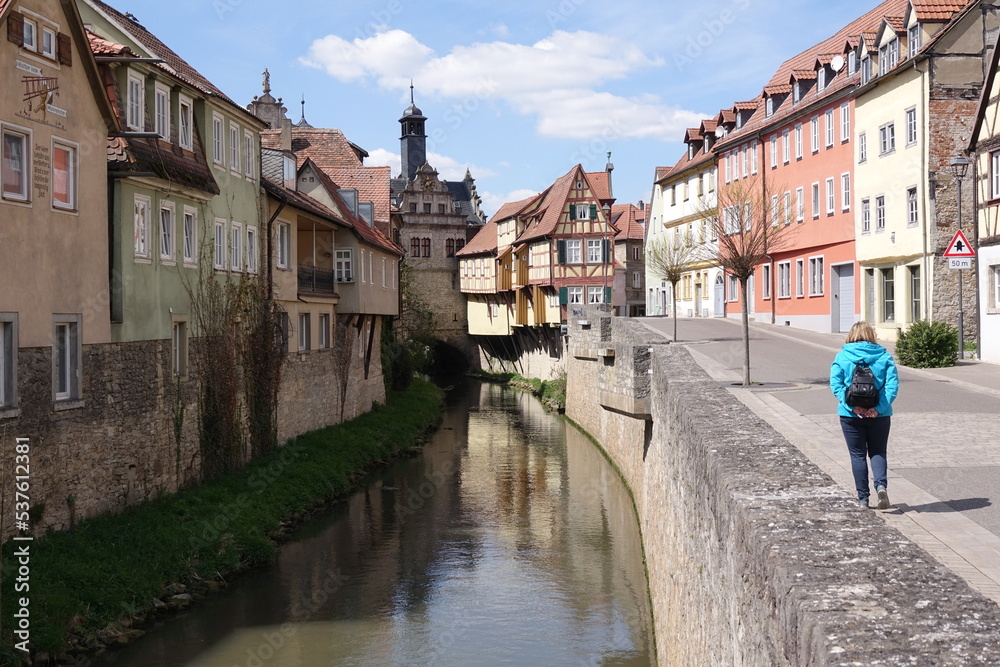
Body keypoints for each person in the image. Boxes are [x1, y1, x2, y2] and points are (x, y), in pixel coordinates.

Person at [830, 321, 899, 510]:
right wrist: (878, 408)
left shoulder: (843, 356)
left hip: (851, 415)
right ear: (871, 335)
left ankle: (863, 499)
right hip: (879, 415)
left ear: (851, 335)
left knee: (857, 455)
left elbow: (836, 385)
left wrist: (851, 407)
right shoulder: (884, 356)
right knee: (877, 451)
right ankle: (881, 486)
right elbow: (892, 386)